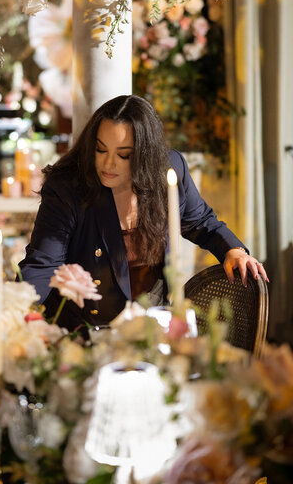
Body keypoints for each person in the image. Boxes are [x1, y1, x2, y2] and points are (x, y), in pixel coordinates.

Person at [19, 95, 268, 332]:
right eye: (101, 149)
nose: (108, 164)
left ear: (145, 155)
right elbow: (43, 263)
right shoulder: (68, 187)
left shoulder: (169, 170)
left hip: (154, 324)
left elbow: (200, 220)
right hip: (87, 330)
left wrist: (232, 249)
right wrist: (18, 312)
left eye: (124, 155)